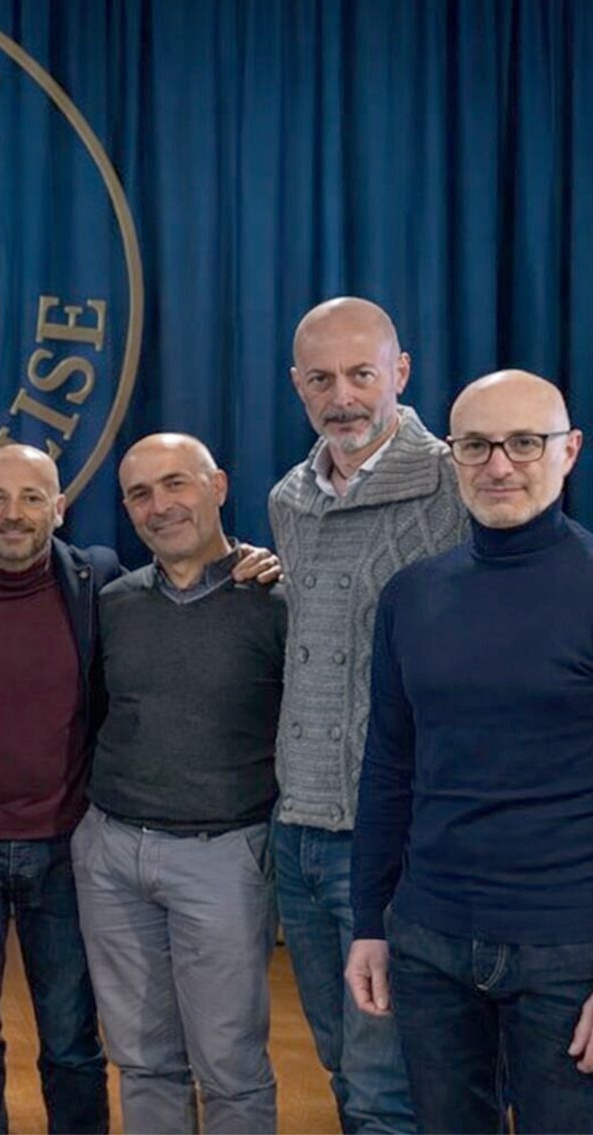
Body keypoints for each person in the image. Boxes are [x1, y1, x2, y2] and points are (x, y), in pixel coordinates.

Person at [347, 370, 593, 1132]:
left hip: (568, 949)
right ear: (452, 454)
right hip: (430, 941)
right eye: (477, 445)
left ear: (570, 451)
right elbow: (388, 769)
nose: (499, 465)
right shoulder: (411, 595)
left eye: (525, 443)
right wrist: (369, 923)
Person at [268, 296, 466, 1132]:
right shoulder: (289, 498)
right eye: (321, 379)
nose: (342, 397)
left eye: (361, 374)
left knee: (390, 1088)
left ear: (401, 373)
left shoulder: (456, 484)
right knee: (343, 1071)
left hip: (392, 838)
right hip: (297, 835)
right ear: (297, 385)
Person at [72, 434, 287, 1132]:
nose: (159, 506)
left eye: (175, 484)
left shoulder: (277, 599)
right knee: (140, 1060)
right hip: (111, 855)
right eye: (140, 494)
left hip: (222, 857)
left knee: (230, 1066)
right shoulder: (114, 604)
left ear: (217, 486)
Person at [0, 443, 118, 1135]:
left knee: (71, 1036)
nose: (14, 513)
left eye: (32, 497)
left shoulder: (98, 583)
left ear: (59, 508)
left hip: (66, 845)